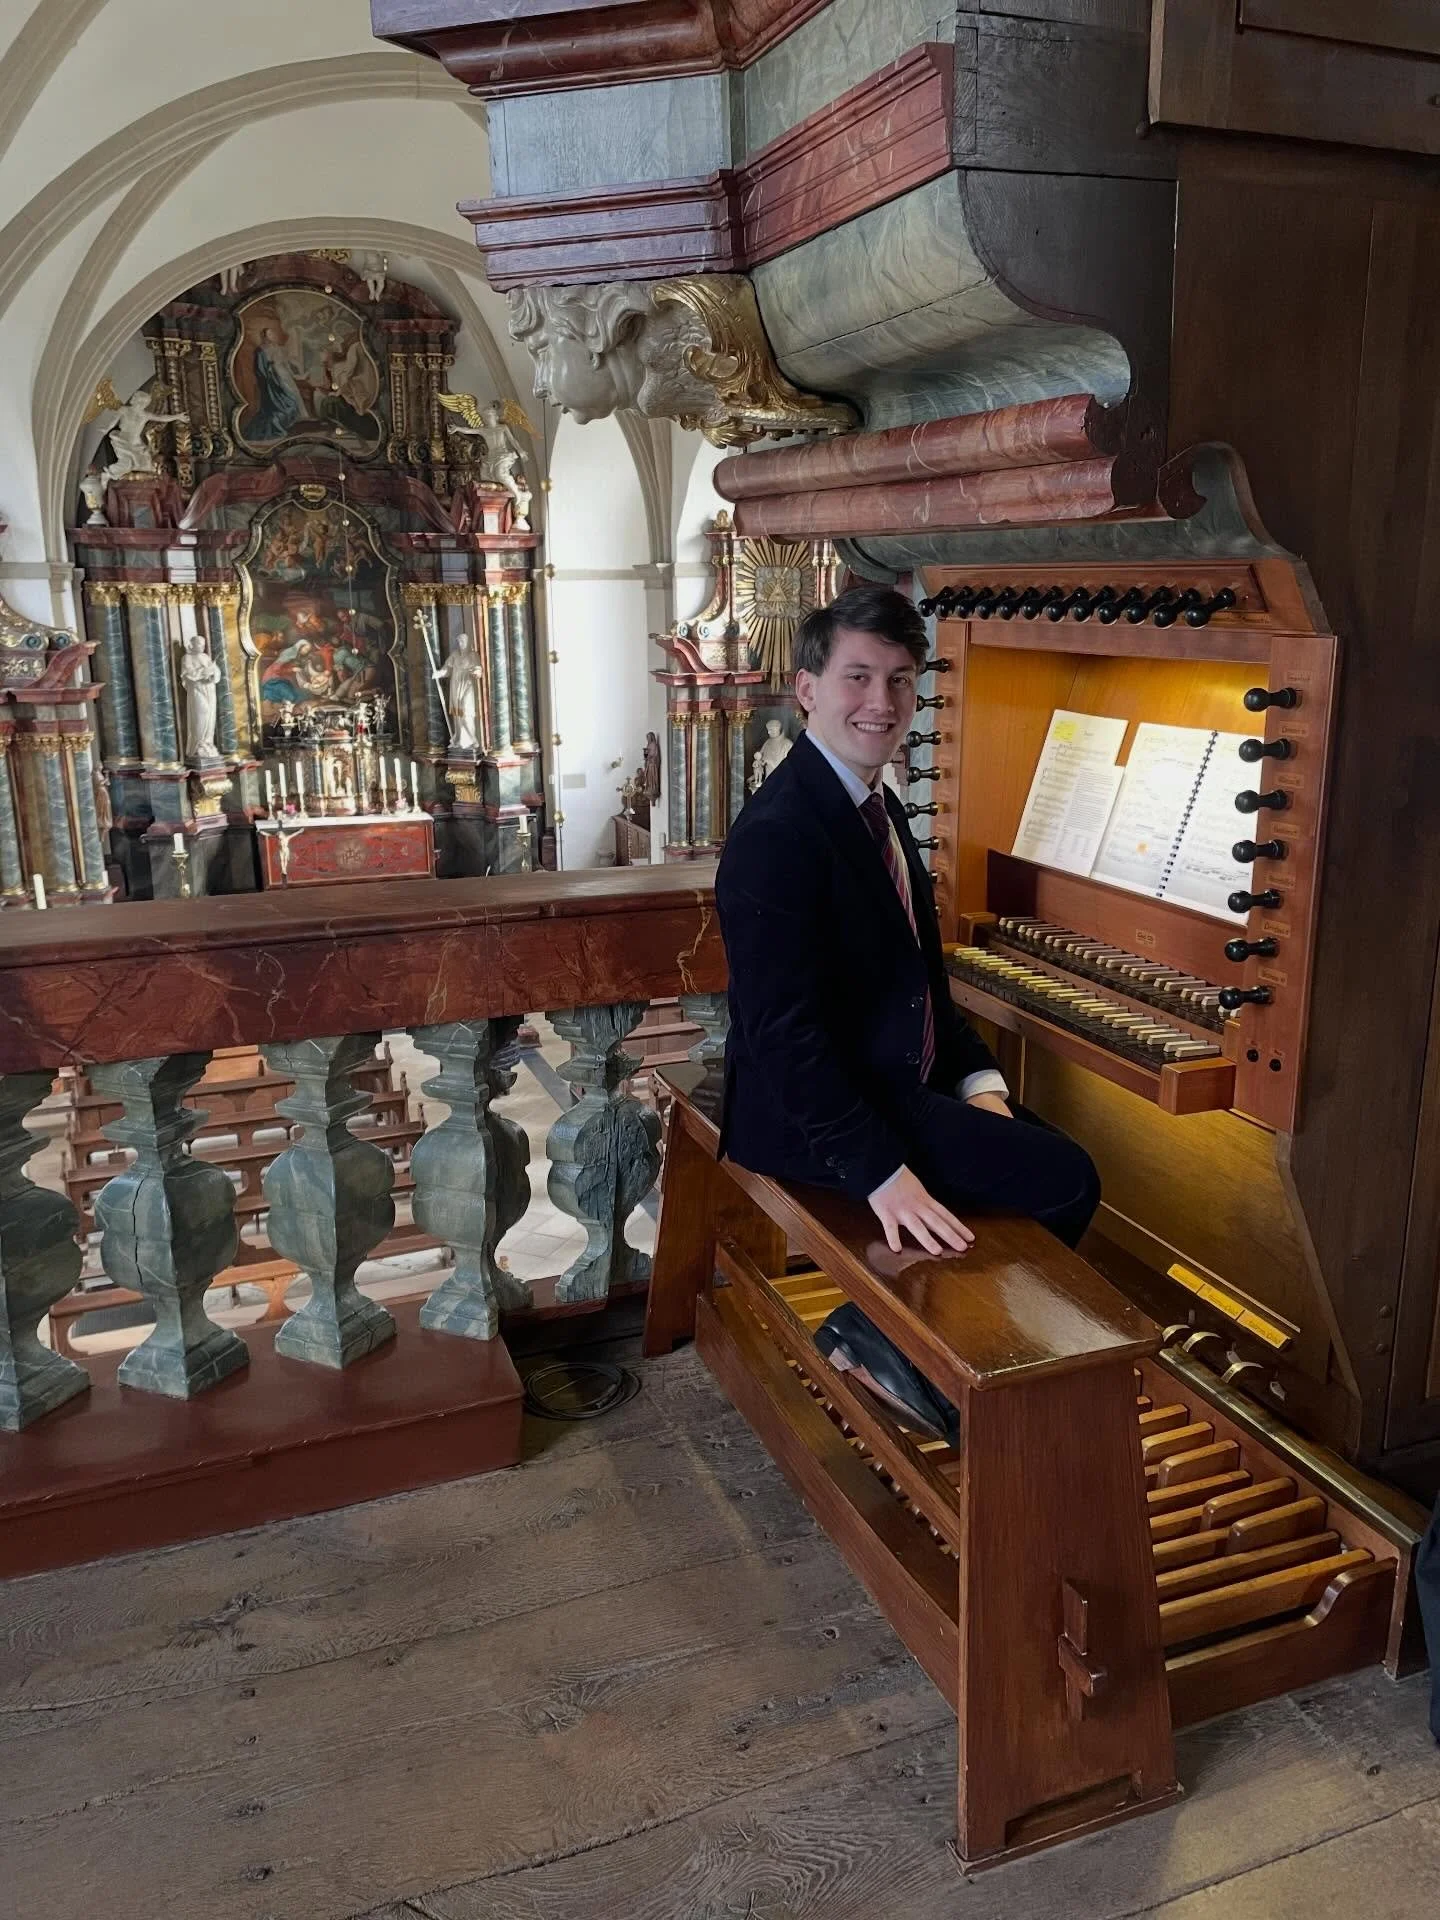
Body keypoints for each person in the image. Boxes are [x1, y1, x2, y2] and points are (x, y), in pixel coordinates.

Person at [714, 584, 1101, 1440]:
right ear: (808, 687)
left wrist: (977, 1082)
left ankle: (953, 1352)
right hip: (815, 1116)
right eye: (858, 677)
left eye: (899, 679)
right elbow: (782, 1038)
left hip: (890, 1081)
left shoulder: (876, 804)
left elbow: (921, 986)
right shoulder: (781, 831)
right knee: (1068, 1180)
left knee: (1041, 1156)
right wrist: (880, 1173)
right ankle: (892, 1344)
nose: (881, 703)